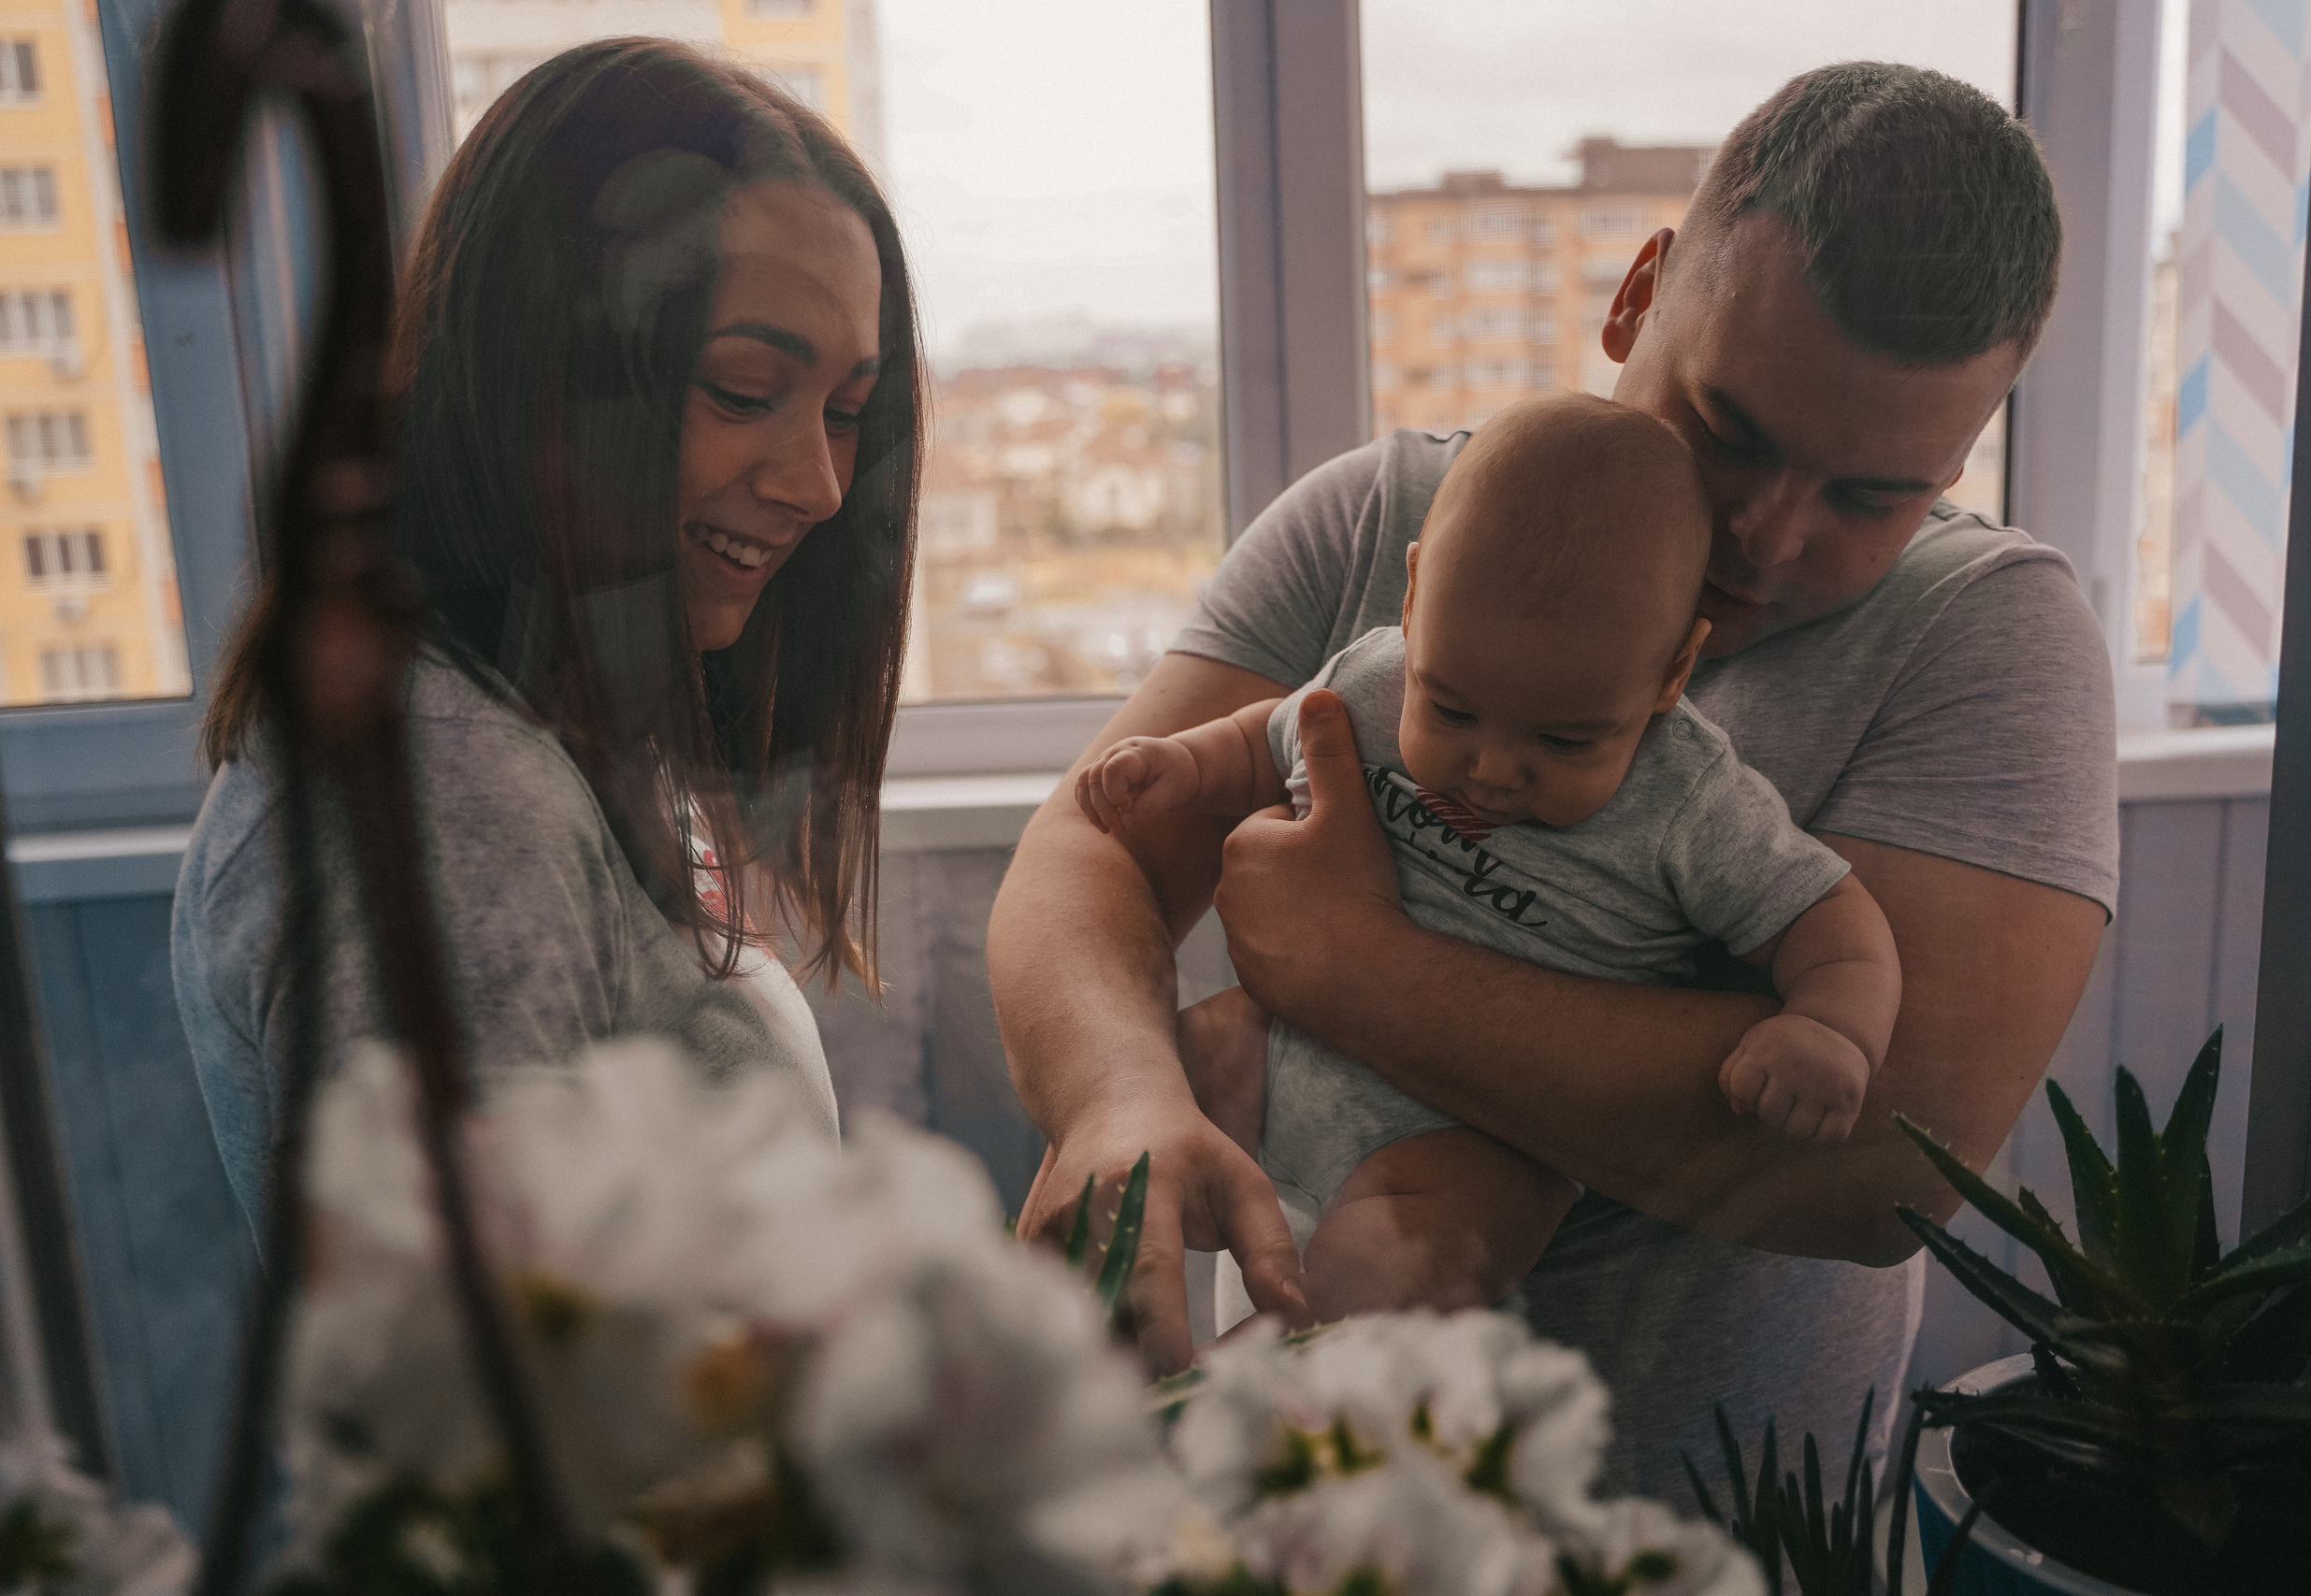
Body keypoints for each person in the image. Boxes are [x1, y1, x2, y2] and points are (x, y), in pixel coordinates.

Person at [990, 61, 2115, 1500]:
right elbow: (1088, 848)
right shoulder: (1389, 516)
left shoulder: (1988, 633)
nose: (1768, 536)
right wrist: (1119, 1094)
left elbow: (1888, 1159)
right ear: (1639, 294)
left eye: (1872, 494)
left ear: (1965, 448)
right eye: (1732, 431)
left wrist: (1351, 964)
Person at [173, 39, 923, 1256]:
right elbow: (471, 1407)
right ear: (546, 379)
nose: (821, 485)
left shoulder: (548, 713)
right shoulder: (451, 796)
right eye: (742, 390)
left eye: (844, 411)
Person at [1073, 395, 1899, 1328]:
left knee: (1412, 1258)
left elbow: (1831, 922)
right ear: (1415, 598)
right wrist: (1175, 765)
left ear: (1670, 672)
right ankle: (1089, 1342)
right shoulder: (1379, 677)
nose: (1495, 769)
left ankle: (1264, 1380)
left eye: (1564, 738)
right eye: (1455, 712)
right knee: (1136, 1111)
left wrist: (1832, 1028)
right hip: (1278, 1044)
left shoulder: (1692, 802)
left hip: (1468, 1136)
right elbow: (1260, 741)